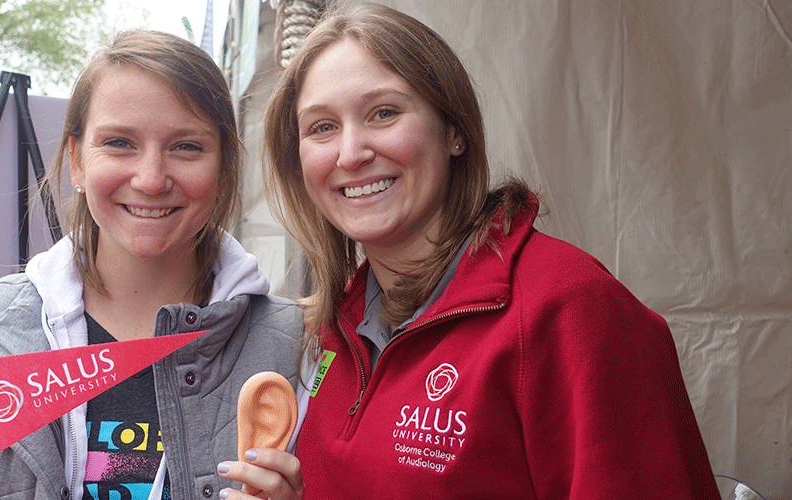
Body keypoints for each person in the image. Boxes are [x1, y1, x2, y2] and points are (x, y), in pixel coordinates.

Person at [254, 3, 721, 499]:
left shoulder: (570, 309)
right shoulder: (330, 328)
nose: (351, 153)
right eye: (322, 127)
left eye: (383, 113)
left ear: (454, 131)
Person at [0, 30, 303, 500]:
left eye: (186, 146)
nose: (150, 179)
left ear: (224, 167)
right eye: (120, 142)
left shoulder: (290, 350)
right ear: (76, 161)